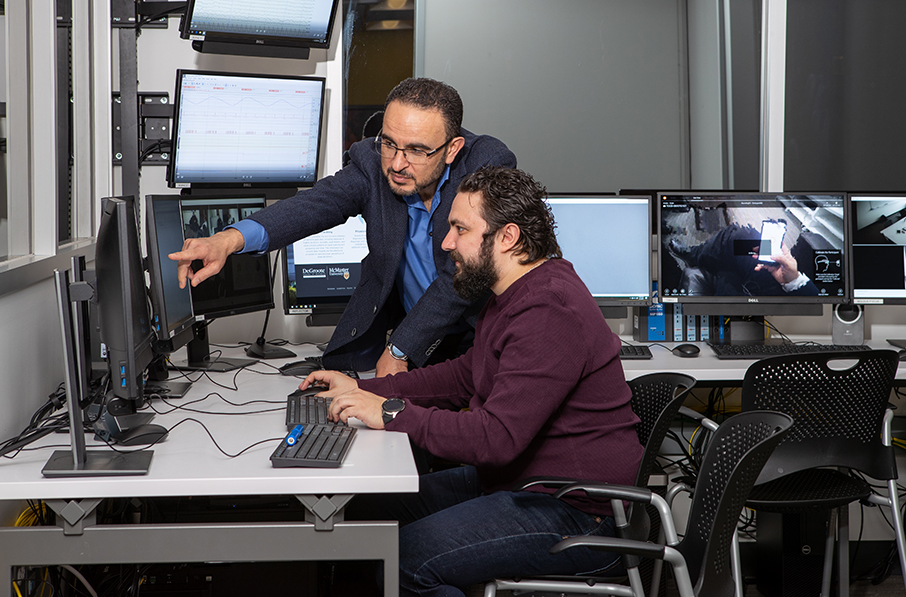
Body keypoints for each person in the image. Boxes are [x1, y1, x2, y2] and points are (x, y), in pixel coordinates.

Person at [300, 167, 642, 596]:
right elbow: (465, 375)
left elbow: (495, 437)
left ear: (507, 237)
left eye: (460, 229)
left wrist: (389, 413)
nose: (446, 244)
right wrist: (364, 390)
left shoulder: (549, 309)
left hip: (578, 512)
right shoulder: (514, 293)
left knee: (405, 560)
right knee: (365, 508)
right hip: (521, 483)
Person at [170, 78, 516, 376]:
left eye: (416, 151)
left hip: (480, 337)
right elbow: (315, 205)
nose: (397, 163)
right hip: (413, 342)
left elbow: (458, 278)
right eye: (389, 143)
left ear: (452, 148)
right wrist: (229, 240)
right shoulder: (371, 163)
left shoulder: (484, 166)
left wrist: (399, 348)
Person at [666, 222, 821, 297]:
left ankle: (704, 261)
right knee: (738, 239)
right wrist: (793, 279)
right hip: (792, 279)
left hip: (776, 295)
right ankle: (695, 256)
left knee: (727, 273)